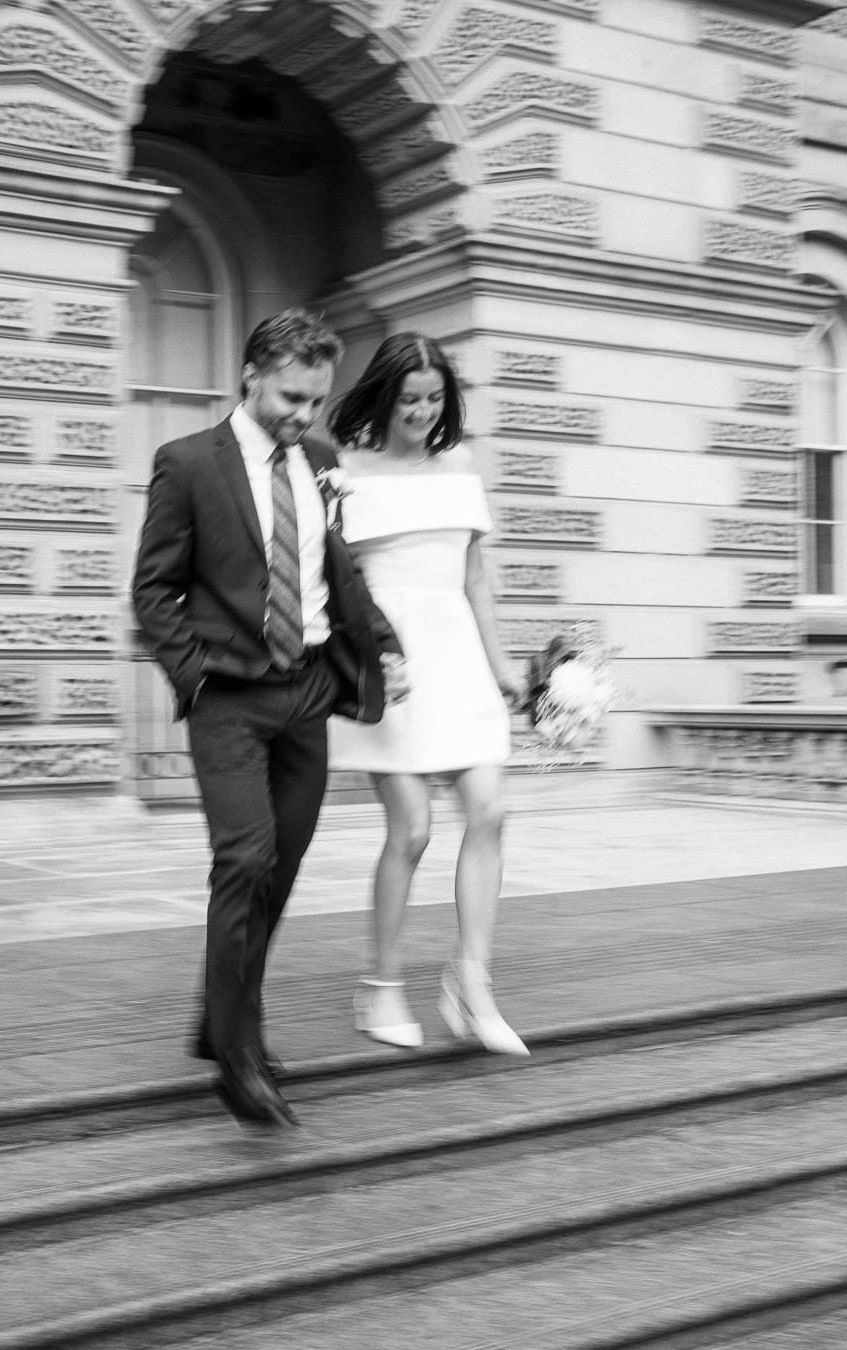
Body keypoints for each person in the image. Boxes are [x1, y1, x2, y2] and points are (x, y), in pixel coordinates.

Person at [132, 309, 408, 1128]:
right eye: (291, 396)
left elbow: (337, 568)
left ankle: (219, 1022)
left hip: (308, 693)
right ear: (251, 373)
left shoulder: (320, 460)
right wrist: (196, 677)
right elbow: (153, 591)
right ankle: (240, 1055)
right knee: (244, 860)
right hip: (230, 698)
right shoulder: (186, 464)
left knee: (280, 870)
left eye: (315, 401)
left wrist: (383, 643)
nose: (303, 415)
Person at [327, 332, 529, 1057]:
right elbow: (336, 582)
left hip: (460, 658)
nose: (421, 411)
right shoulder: (344, 470)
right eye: (409, 398)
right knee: (411, 829)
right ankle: (379, 987)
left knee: (492, 811)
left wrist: (505, 667)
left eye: (434, 398)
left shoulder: (460, 465)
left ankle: (471, 984)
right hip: (390, 664)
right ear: (384, 397)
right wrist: (364, 656)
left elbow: (475, 579)